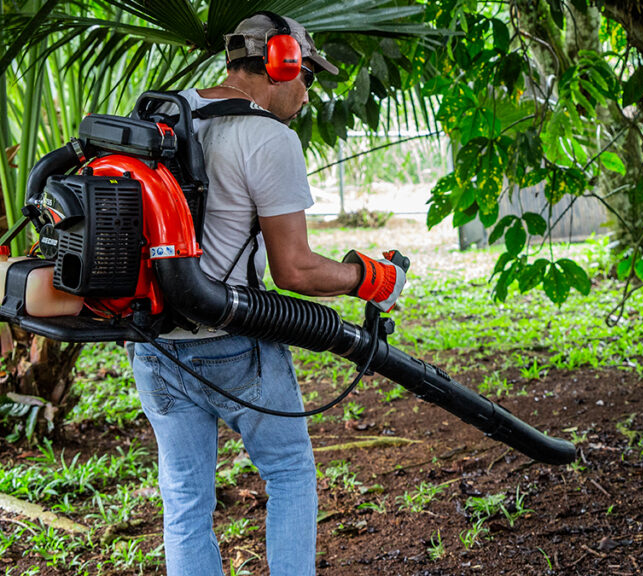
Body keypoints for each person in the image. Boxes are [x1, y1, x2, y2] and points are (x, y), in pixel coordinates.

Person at [127, 12, 405, 576]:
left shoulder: (157, 116)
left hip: (151, 342)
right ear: (282, 63)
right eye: (306, 76)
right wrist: (369, 278)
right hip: (234, 343)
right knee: (289, 474)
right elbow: (295, 271)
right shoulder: (266, 137)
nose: (306, 93)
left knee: (184, 499)